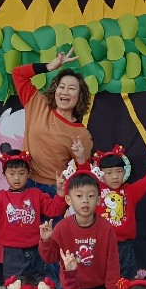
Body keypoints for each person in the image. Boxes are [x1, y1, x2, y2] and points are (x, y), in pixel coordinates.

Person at [0, 149, 66, 283]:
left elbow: (54, 210)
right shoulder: (1, 197)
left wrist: (60, 192)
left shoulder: (36, 194)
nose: (17, 178)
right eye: (12, 173)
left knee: (39, 288)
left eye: (21, 173)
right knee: (14, 287)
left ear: (29, 173)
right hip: (12, 254)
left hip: (36, 250)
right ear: (4, 175)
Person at [11, 50, 94, 191]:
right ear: (55, 90)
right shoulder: (38, 103)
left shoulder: (81, 134)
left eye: (71, 88)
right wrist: (49, 67)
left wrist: (81, 160)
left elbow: (85, 175)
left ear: (80, 96)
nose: (65, 92)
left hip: (52, 189)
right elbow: (18, 73)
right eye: (61, 87)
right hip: (23, 183)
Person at [94, 143, 146, 283]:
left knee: (126, 280)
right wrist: (80, 158)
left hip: (124, 246)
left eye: (119, 171)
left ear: (124, 172)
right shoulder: (95, 191)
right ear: (100, 174)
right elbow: (83, 178)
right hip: (101, 244)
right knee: (101, 279)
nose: (115, 176)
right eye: (109, 173)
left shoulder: (130, 191)